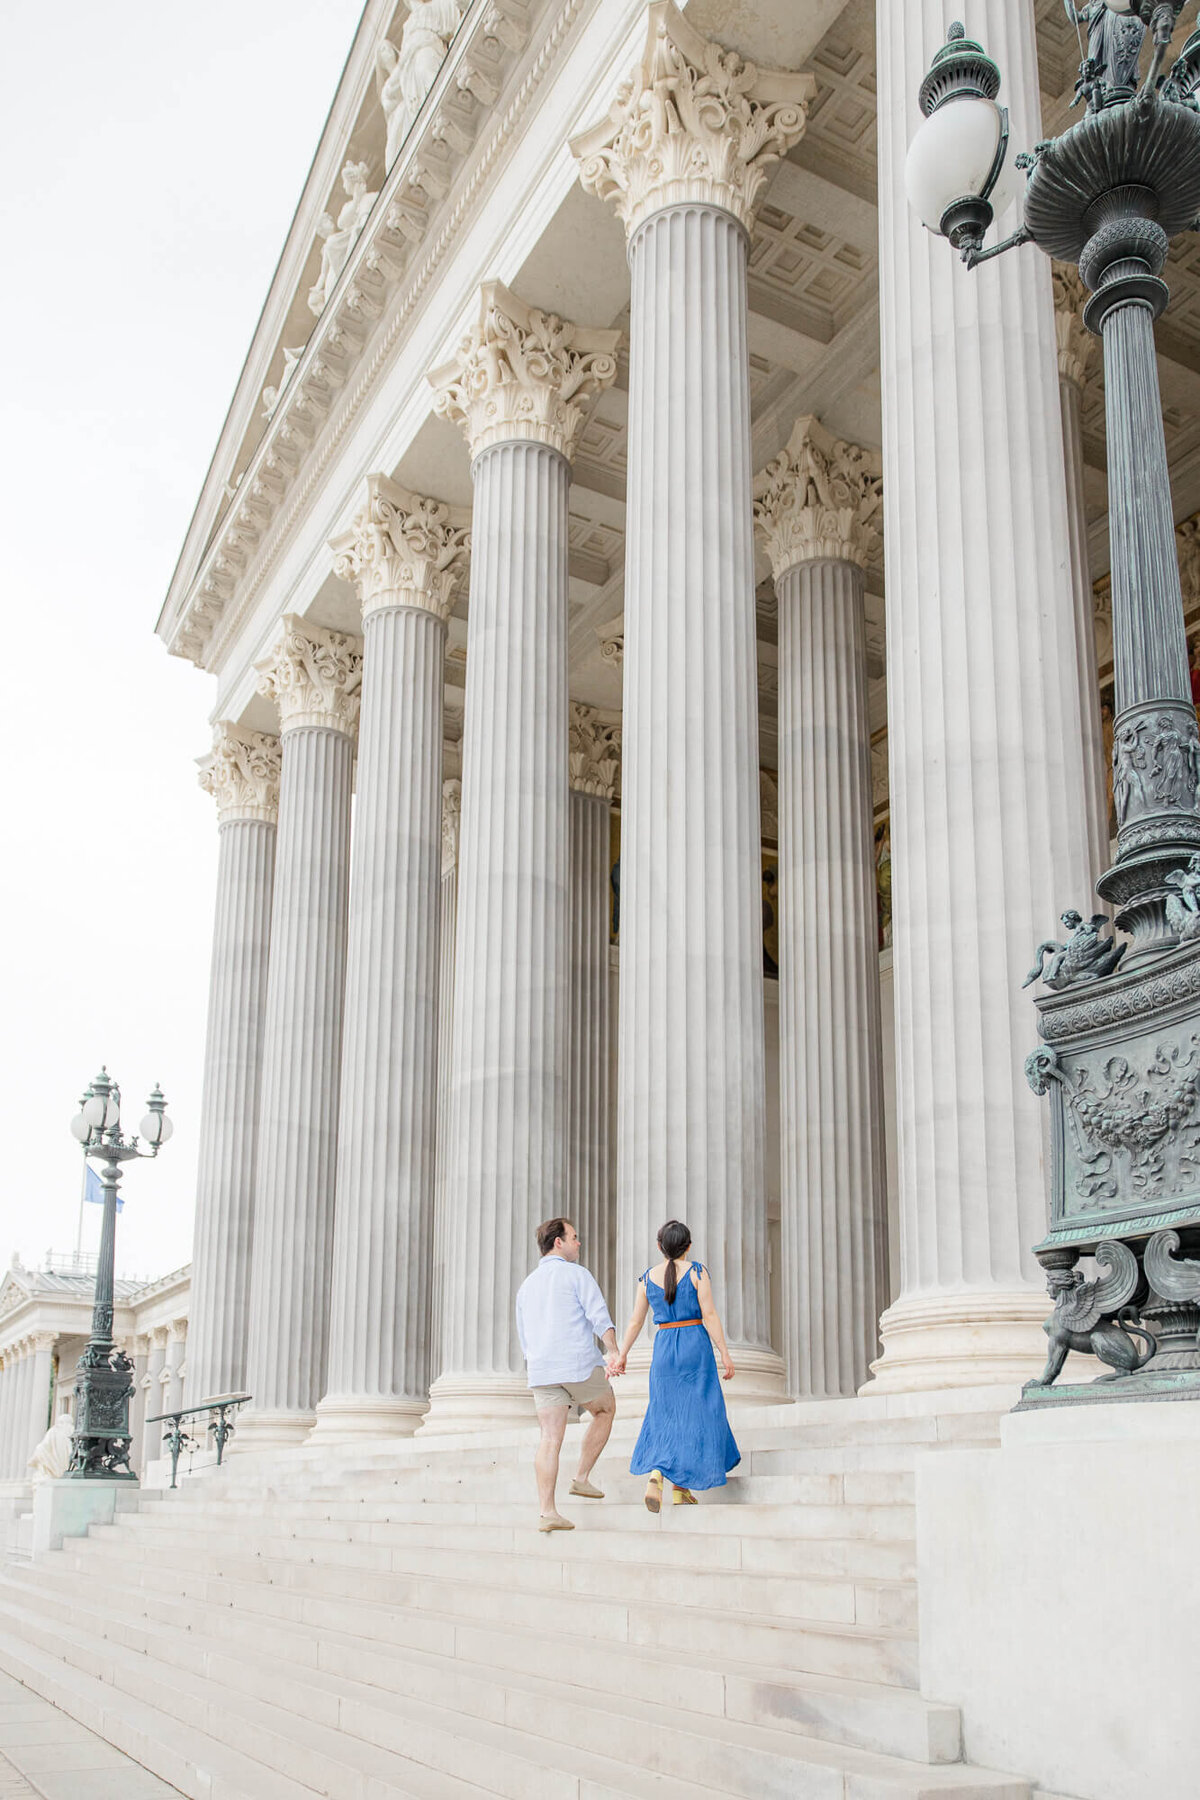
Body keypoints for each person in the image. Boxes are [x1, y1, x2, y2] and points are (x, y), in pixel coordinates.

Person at [609, 1219, 739, 1512]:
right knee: (700, 1411)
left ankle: (667, 1480)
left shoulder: (646, 1278)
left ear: (659, 1246)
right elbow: (710, 1314)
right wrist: (725, 1354)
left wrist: (622, 1354)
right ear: (688, 1246)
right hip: (694, 1344)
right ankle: (674, 1479)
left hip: (665, 1347)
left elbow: (635, 1321)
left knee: (666, 1413)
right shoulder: (697, 1271)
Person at [515, 1217, 619, 1533]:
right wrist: (613, 1351)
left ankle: (548, 1512)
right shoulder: (576, 1274)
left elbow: (523, 1333)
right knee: (605, 1409)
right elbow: (599, 1315)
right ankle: (582, 1477)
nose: (578, 1242)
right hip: (576, 1363)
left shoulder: (526, 1285)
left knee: (549, 1438)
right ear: (558, 1242)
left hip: (542, 1368)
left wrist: (535, 1363)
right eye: (574, 1237)